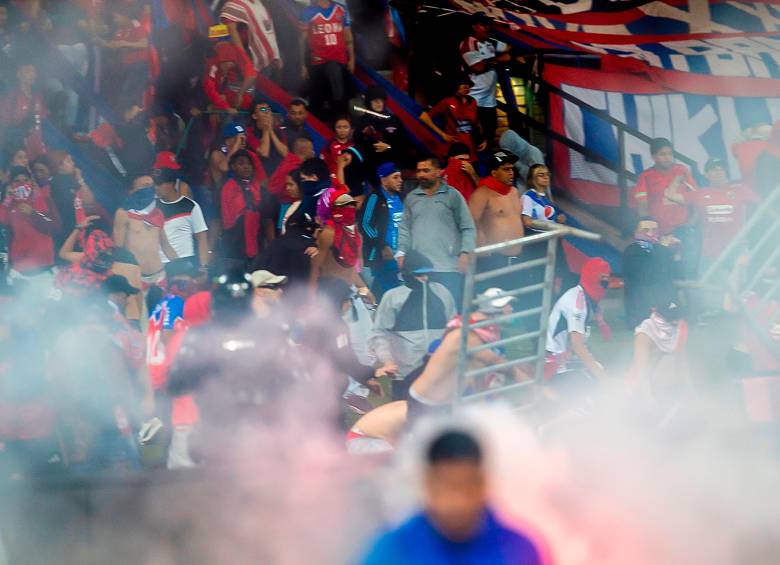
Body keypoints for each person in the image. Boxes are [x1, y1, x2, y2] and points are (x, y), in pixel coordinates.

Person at [360, 429, 543, 565]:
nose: (458, 502)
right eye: (447, 487)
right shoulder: (392, 552)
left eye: (467, 487)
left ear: (482, 483)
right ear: (428, 484)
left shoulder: (520, 549)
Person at [407, 288, 525, 420]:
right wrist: (537, 387)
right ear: (494, 311)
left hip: (444, 404)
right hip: (426, 404)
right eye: (507, 306)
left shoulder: (484, 334)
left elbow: (476, 371)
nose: (511, 309)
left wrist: (484, 407)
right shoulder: (468, 335)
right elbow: (503, 366)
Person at [371, 250, 457, 401]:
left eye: (427, 274)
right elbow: (380, 333)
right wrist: (388, 360)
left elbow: (454, 328)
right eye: (419, 274)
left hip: (438, 369)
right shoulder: (393, 297)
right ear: (407, 274)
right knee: (404, 414)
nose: (424, 278)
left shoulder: (442, 293)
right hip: (405, 372)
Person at [398, 156, 476, 309]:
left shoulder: (453, 195)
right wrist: (401, 253)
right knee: (425, 314)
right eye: (419, 171)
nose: (421, 174)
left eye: (426, 170)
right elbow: (405, 228)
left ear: (439, 172)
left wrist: (466, 253)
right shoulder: (411, 198)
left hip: (448, 267)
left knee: (452, 313)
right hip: (420, 269)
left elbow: (468, 227)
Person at [664, 157, 758, 271]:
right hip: (710, 253)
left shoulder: (740, 190)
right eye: (714, 169)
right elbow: (670, 195)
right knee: (708, 288)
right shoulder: (700, 194)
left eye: (722, 169)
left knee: (739, 287)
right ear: (706, 174)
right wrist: (678, 177)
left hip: (736, 250)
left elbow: (763, 205)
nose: (719, 172)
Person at [634, 137, 699, 279]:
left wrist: (692, 222)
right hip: (660, 233)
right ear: (653, 157)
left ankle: (690, 299)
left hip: (683, 230)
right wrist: (648, 232)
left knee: (688, 270)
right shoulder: (646, 176)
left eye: (670, 153)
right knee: (663, 272)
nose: (667, 157)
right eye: (662, 154)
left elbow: (696, 197)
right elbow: (642, 205)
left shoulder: (682, 171)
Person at [545, 257, 611, 382]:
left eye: (606, 280)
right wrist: (601, 376)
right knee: (597, 378)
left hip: (566, 357)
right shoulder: (577, 303)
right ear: (592, 277)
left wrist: (601, 322)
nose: (605, 284)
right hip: (555, 364)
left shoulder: (584, 296)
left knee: (599, 369)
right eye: (602, 279)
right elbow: (577, 345)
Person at [470, 150, 524, 292]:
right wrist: (482, 250)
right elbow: (470, 225)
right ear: (494, 173)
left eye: (512, 169)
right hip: (493, 260)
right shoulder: (481, 194)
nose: (511, 172)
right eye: (506, 169)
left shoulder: (514, 192)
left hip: (518, 257)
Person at [113, 174, 178, 291]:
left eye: (152, 185)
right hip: (138, 279)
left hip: (160, 276)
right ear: (133, 191)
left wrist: (181, 267)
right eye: (145, 186)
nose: (151, 189)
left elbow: (166, 246)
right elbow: (118, 250)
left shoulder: (157, 213)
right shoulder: (123, 214)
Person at [0, 166, 60, 291]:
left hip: (44, 265)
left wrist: (33, 213)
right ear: (11, 184)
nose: (22, 184)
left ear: (31, 181)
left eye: (25, 180)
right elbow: (2, 222)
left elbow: (54, 225)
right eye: (17, 181)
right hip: (21, 268)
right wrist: (6, 200)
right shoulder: (9, 204)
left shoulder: (43, 199)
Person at [627, 296, 691, 408]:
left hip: (669, 387)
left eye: (677, 317)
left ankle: (669, 398)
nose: (675, 321)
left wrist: (689, 391)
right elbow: (641, 370)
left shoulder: (681, 327)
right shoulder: (645, 332)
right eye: (671, 318)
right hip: (644, 387)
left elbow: (682, 362)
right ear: (658, 315)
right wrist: (649, 399)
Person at [459, 12, 511, 148]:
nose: (487, 27)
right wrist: (499, 59)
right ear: (474, 26)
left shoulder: (490, 42)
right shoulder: (468, 43)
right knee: (475, 139)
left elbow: (509, 47)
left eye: (488, 24)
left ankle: (489, 167)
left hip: (489, 101)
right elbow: (478, 66)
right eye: (483, 24)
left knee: (489, 136)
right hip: (473, 100)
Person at [299, 0, 355, 119]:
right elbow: (302, 41)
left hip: (339, 60)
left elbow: (348, 36)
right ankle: (321, 128)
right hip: (318, 62)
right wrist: (302, 65)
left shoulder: (340, 9)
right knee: (318, 99)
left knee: (339, 93)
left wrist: (352, 59)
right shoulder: (308, 12)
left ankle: (340, 119)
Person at [155, 156, 210, 273]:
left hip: (186, 264)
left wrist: (203, 267)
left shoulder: (190, 206)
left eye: (159, 184)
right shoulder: (153, 207)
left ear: (171, 184)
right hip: (160, 266)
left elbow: (202, 238)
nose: (156, 187)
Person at [622, 218, 678, 330]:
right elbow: (647, 276)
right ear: (636, 232)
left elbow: (674, 274)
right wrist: (662, 249)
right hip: (641, 314)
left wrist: (678, 254)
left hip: (664, 310)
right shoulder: (631, 251)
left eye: (654, 230)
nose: (650, 234)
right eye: (645, 230)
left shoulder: (661, 250)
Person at [310, 193, 371, 295]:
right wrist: (311, 297)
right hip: (328, 292)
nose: (350, 209)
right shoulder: (328, 234)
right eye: (345, 206)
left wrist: (364, 290)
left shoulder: (357, 236)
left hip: (348, 292)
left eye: (352, 206)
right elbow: (315, 268)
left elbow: (350, 270)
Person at [359, 162, 404, 298]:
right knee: (392, 296)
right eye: (395, 177)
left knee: (388, 296)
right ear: (384, 180)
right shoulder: (374, 198)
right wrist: (382, 246)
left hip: (400, 258)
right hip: (381, 258)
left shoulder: (400, 197)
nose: (400, 181)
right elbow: (365, 224)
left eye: (400, 177)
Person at [419, 73, 485, 161]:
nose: (466, 86)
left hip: (472, 148)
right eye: (462, 84)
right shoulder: (447, 101)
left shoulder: (473, 101)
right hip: (454, 148)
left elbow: (476, 123)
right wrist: (443, 134)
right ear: (456, 86)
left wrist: (482, 139)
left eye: (468, 84)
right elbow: (424, 117)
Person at [353, 85, 410, 179]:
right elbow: (357, 144)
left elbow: (404, 145)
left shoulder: (394, 120)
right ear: (368, 102)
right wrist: (364, 135)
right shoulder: (361, 121)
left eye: (381, 99)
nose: (378, 103)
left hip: (393, 169)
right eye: (374, 100)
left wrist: (388, 147)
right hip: (371, 171)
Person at [220, 150, 262, 270]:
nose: (246, 167)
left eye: (249, 164)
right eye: (241, 164)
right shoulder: (228, 187)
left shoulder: (256, 187)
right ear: (233, 167)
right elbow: (227, 219)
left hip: (254, 243)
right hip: (235, 244)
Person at [219, 0, 281, 75]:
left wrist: (276, 55)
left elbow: (268, 29)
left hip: (267, 58)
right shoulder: (233, 4)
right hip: (251, 60)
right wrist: (243, 59)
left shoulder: (258, 3)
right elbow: (232, 32)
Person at [203, 40, 257, 113]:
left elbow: (252, 76)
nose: (230, 66)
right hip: (213, 96)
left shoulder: (239, 55)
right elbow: (210, 89)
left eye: (232, 64)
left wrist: (240, 94)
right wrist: (226, 107)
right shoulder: (212, 65)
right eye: (227, 65)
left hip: (237, 94)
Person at [247, 101, 289, 176]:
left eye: (268, 109)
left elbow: (285, 153)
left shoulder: (278, 130)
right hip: (262, 174)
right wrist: (266, 130)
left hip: (281, 172)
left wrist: (271, 130)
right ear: (254, 116)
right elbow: (264, 153)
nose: (267, 112)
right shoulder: (250, 132)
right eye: (262, 110)